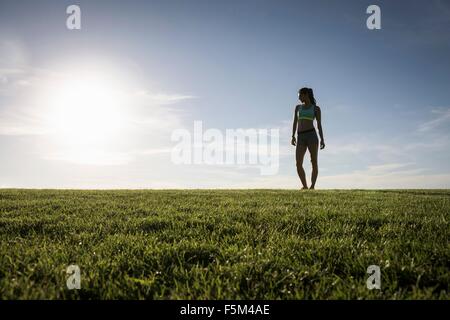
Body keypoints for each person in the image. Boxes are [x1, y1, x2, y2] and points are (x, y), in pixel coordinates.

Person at [291, 87, 325, 189]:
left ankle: (312, 186)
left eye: (300, 96)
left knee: (314, 161)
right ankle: (305, 186)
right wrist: (292, 136)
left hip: (312, 136)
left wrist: (322, 139)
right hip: (300, 136)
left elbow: (319, 125)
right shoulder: (298, 108)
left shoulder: (316, 109)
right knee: (298, 163)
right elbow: (294, 122)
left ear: (306, 94)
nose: (299, 98)